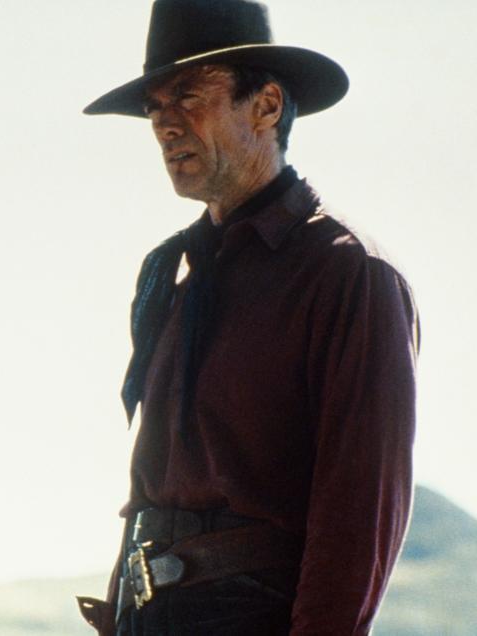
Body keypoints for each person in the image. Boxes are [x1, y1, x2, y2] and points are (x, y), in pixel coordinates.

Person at [76, 1, 419, 634]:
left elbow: (358, 519)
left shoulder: (349, 275)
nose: (165, 125)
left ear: (265, 105)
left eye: (187, 96)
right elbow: (152, 488)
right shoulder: (172, 274)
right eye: (154, 108)